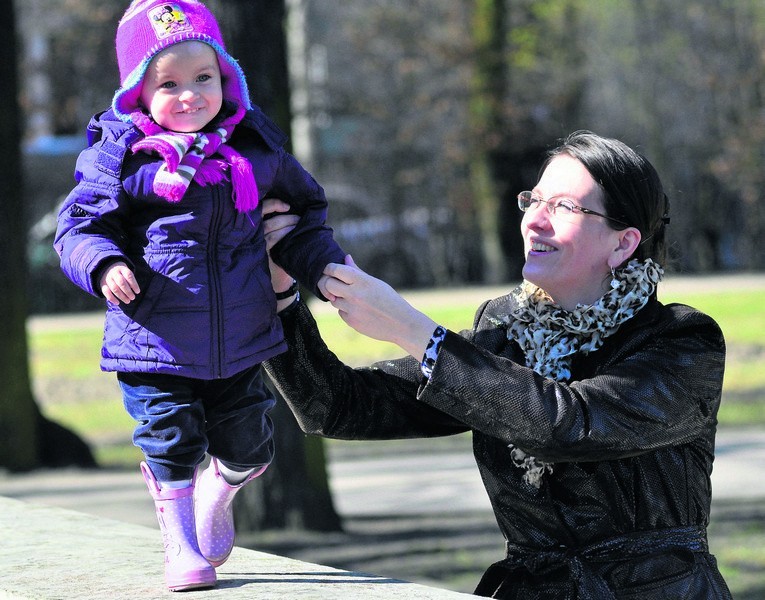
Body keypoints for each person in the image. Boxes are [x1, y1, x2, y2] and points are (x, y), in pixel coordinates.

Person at [261, 130, 732, 599]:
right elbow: (336, 405)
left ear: (623, 243)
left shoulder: (684, 343)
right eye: (535, 201)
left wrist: (413, 330)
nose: (534, 222)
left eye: (564, 207)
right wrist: (280, 294)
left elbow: (567, 425)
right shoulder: (504, 329)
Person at [54, 0, 345, 592]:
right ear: (138, 93)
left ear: (225, 78)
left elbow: (306, 210)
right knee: (169, 441)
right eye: (169, 84)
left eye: (203, 79)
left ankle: (223, 488)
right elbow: (78, 227)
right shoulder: (121, 157)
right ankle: (180, 549)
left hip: (239, 337)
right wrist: (104, 262)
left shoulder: (254, 153)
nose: (189, 95)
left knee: (249, 447)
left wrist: (319, 267)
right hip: (153, 337)